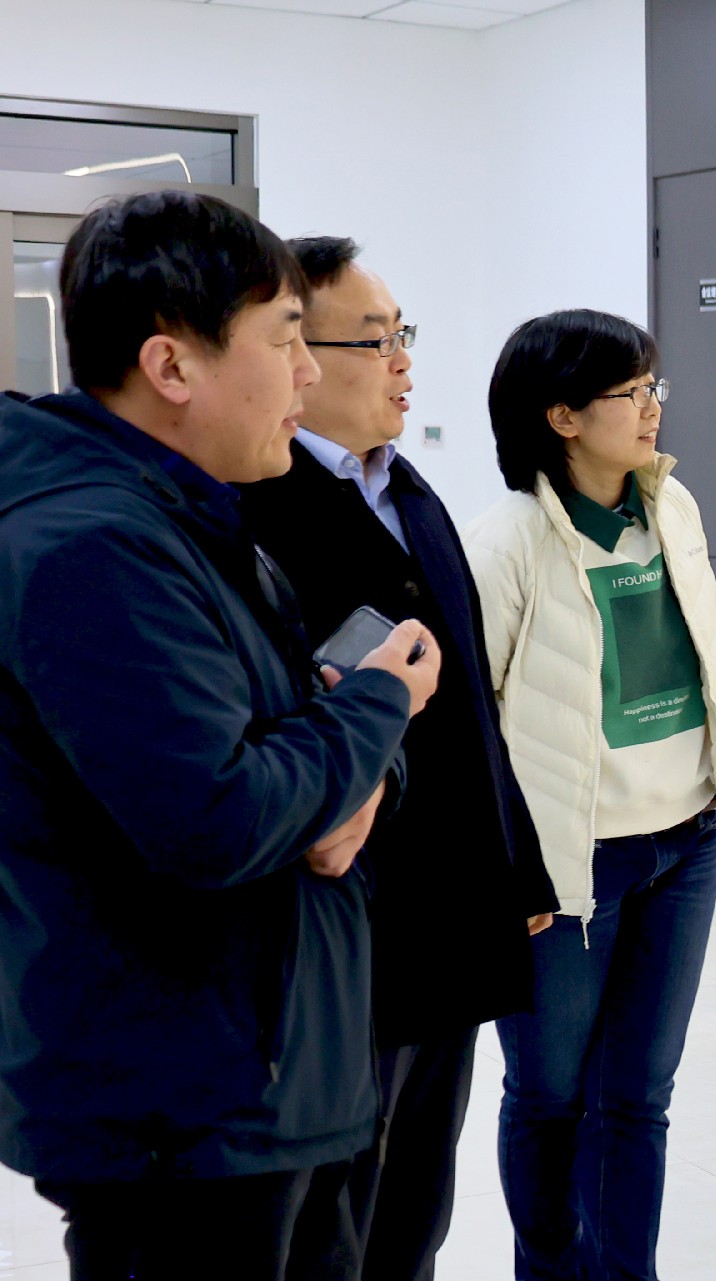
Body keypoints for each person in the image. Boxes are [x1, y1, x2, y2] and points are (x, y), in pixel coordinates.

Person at [0, 191, 441, 1281]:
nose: (307, 373)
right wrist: (377, 707)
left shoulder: (192, 520)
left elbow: (291, 739)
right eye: (286, 338)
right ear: (172, 365)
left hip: (270, 1082)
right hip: (188, 1115)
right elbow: (218, 814)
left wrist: (354, 759)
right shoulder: (91, 548)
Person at [240, 236, 559, 1281]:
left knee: (419, 1197)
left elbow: (473, 708)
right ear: (297, 353)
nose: (403, 362)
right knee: (339, 1210)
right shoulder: (254, 509)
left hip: (453, 915)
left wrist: (518, 863)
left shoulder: (410, 491)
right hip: (352, 929)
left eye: (401, 335)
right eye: (375, 341)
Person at [465, 309, 716, 1281]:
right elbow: (470, 719)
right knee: (549, 1096)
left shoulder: (672, 507)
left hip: (685, 844)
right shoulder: (506, 542)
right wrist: (509, 870)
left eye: (651, 387)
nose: (651, 408)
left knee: (638, 1097)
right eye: (630, 392)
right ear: (561, 416)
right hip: (564, 866)